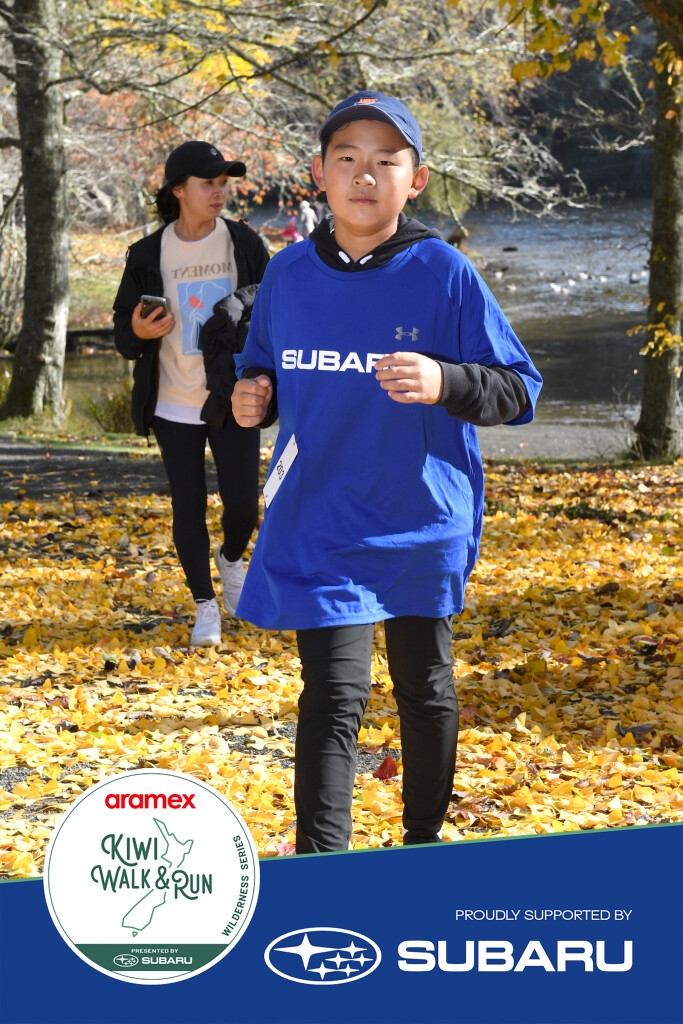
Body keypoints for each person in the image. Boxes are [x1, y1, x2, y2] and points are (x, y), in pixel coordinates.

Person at [231, 91, 542, 854]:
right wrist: (253, 395)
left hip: (417, 521)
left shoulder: (443, 273)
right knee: (332, 696)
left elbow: (517, 389)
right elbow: (263, 368)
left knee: (422, 689)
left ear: (416, 180)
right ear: (319, 174)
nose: (364, 176)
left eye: (385, 162)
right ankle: (324, 867)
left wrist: (445, 381)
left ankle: (420, 846)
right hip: (319, 520)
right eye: (347, 159)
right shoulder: (287, 274)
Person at [113, 140, 269, 647]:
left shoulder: (243, 243)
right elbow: (124, 337)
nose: (219, 192)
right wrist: (140, 331)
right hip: (172, 402)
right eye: (208, 183)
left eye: (224, 183)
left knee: (244, 504)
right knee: (188, 505)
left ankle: (231, 557)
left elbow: (273, 311)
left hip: (232, 397)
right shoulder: (147, 254)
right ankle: (205, 605)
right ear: (178, 190)